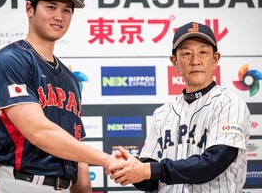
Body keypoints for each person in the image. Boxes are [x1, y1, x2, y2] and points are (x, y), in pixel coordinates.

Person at [0, 0, 123, 192]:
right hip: (19, 183)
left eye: (67, 10)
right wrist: (106, 159)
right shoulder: (10, 60)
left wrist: (84, 187)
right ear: (30, 9)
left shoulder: (70, 79)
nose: (59, 16)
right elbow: (39, 131)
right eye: (51, 7)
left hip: (64, 187)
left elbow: (74, 147)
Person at [107, 22, 251, 193]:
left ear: (215, 59)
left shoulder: (230, 104)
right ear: (175, 62)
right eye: (186, 53)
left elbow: (214, 163)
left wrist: (150, 170)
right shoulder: (162, 114)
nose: (195, 61)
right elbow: (150, 181)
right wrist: (131, 169)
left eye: (203, 53)